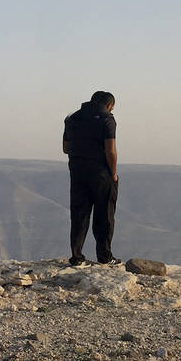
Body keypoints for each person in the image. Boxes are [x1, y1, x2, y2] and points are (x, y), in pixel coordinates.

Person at [62, 91, 118, 265]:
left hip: (77, 172)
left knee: (79, 215)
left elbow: (65, 148)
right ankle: (105, 257)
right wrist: (113, 174)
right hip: (101, 173)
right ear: (109, 105)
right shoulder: (107, 118)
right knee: (104, 216)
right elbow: (110, 150)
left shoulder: (72, 118)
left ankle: (77, 257)